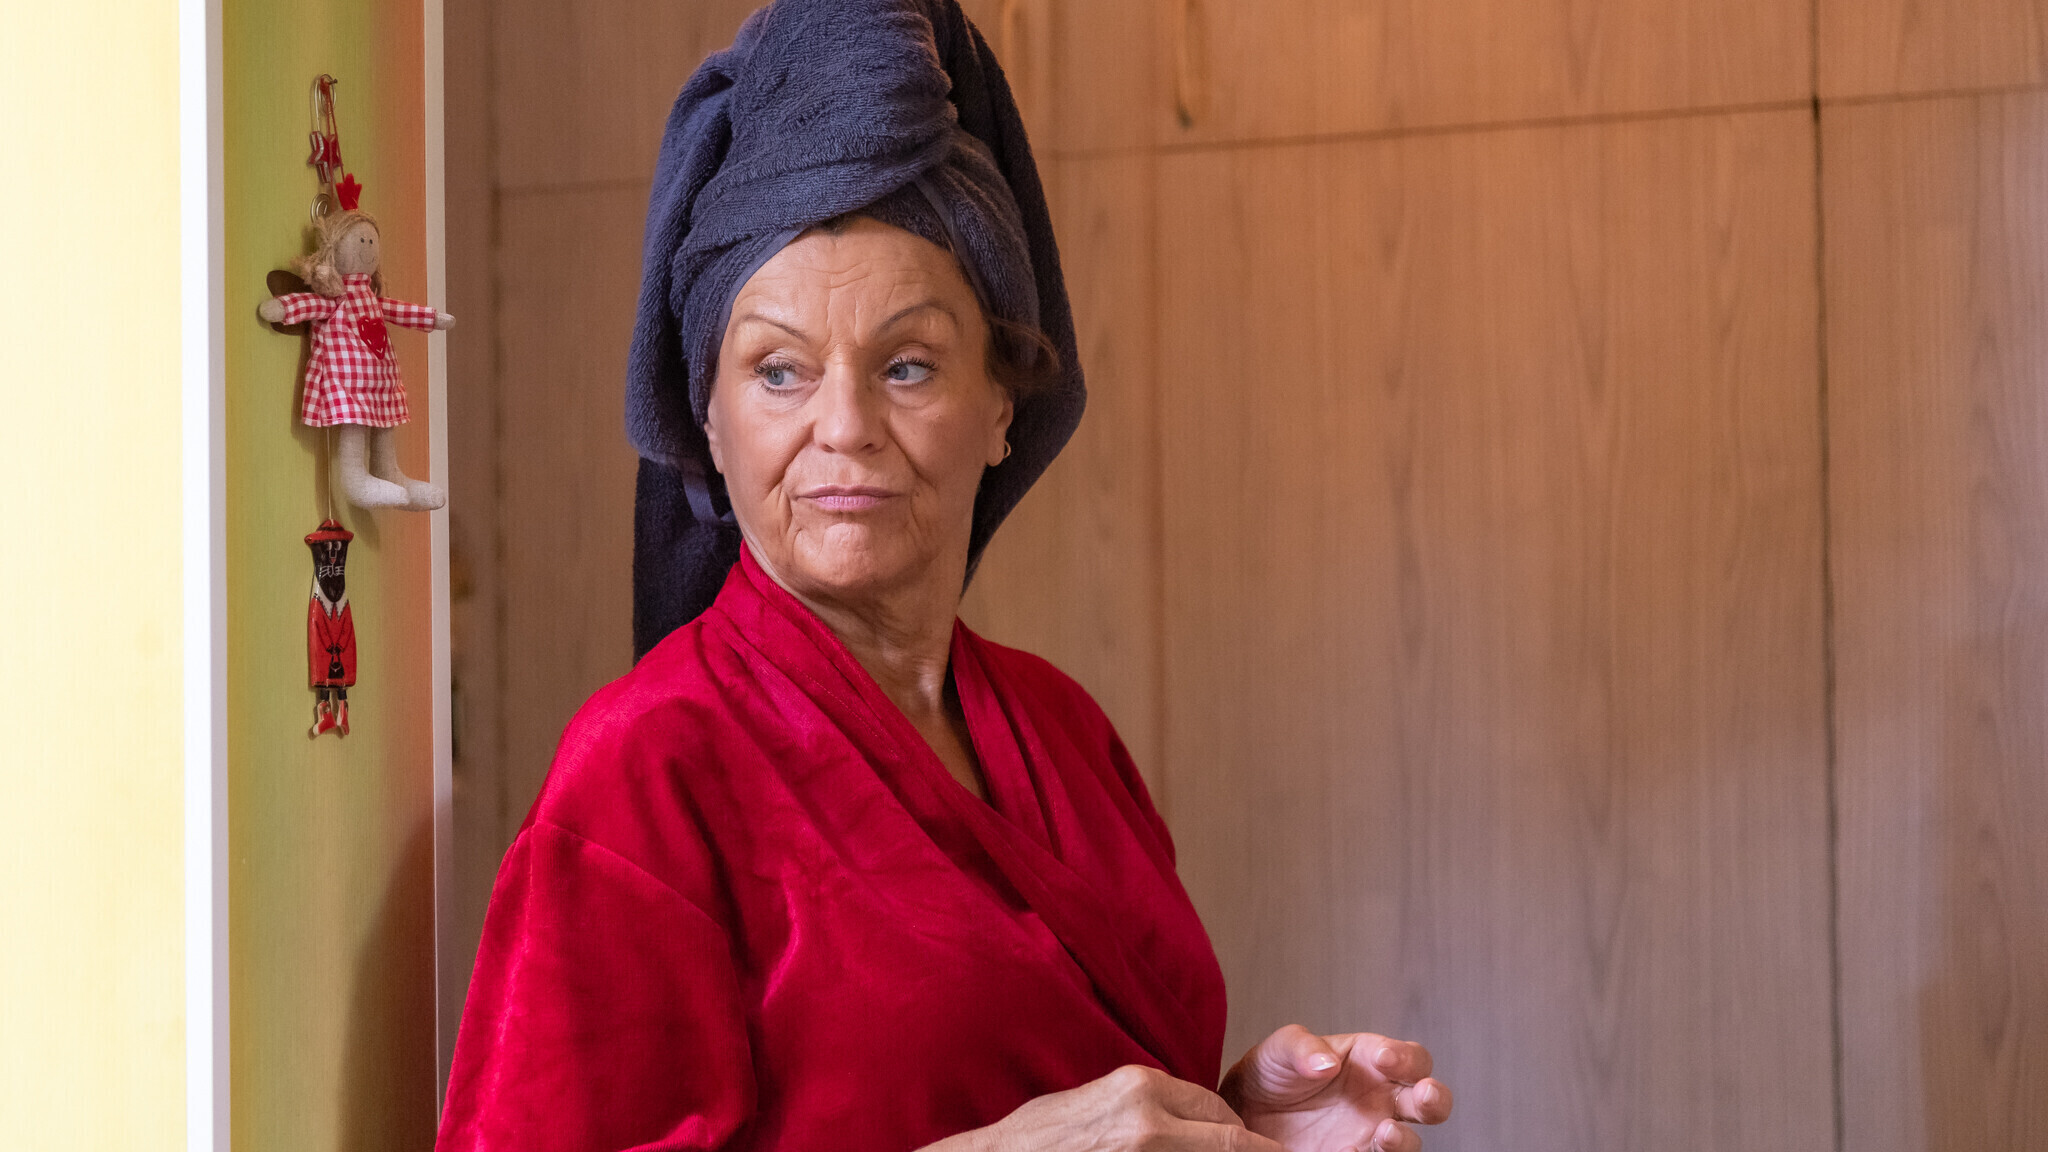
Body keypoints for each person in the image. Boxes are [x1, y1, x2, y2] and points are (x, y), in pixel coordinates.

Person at [435, 3, 1453, 1150]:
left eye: (907, 364)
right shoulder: (643, 768)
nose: (843, 426)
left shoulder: (1062, 730)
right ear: (707, 424)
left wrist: (1237, 1124)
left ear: (1001, 404)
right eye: (777, 372)